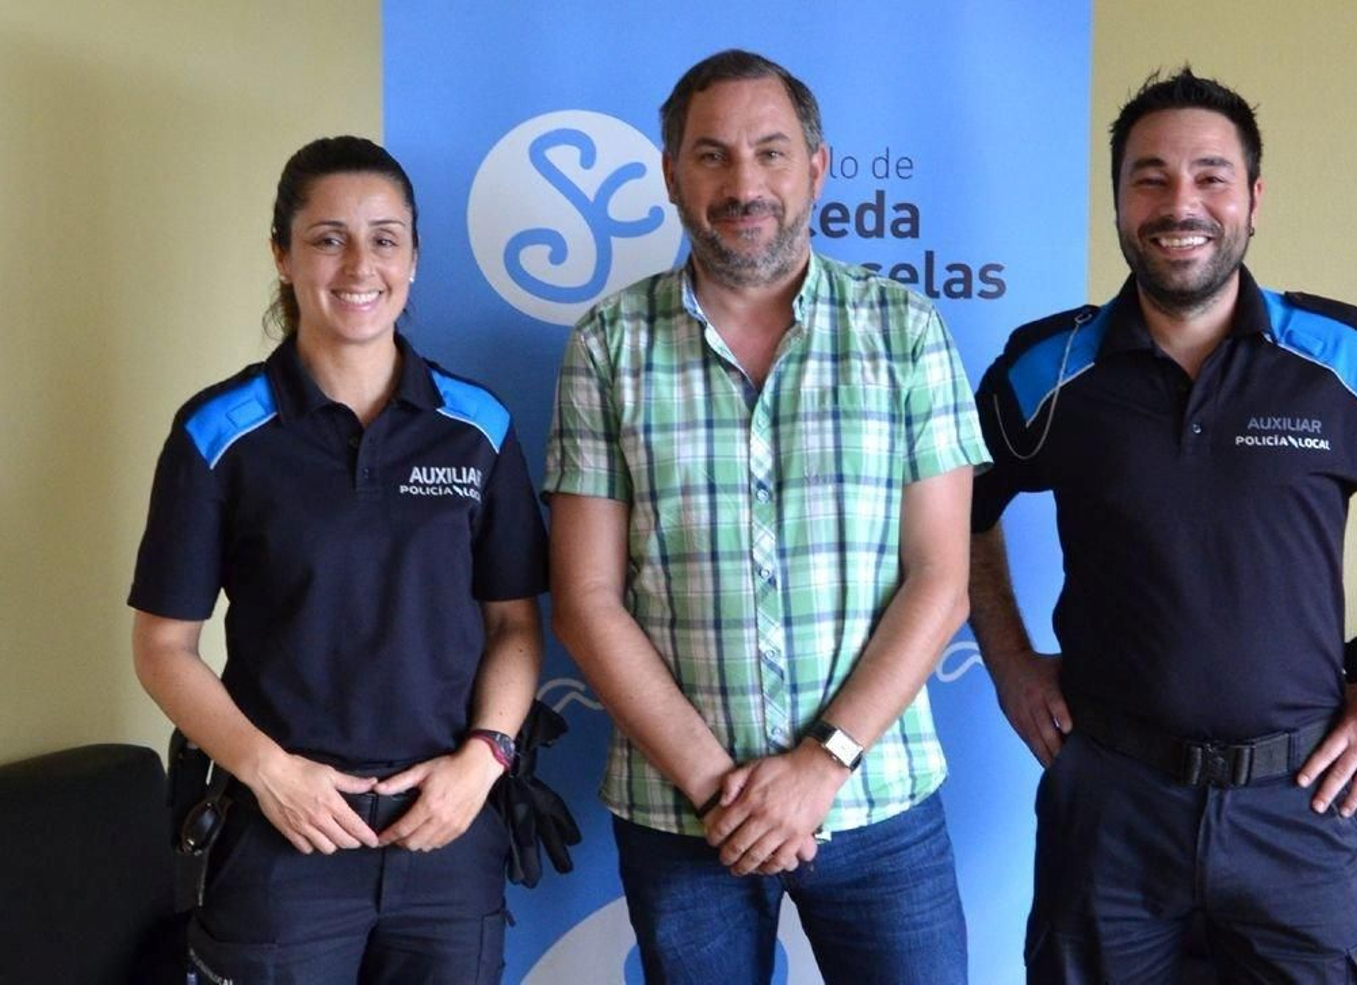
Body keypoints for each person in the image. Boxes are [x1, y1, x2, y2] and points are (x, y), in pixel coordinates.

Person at [968, 67, 1357, 983]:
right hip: (1109, 804)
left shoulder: (1341, 359)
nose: (1182, 203)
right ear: (1116, 203)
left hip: (1298, 803)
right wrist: (1012, 663)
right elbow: (960, 516)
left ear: (1254, 200)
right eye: (1151, 177)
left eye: (1211, 176)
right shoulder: (1043, 369)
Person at [544, 49, 988, 984]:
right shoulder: (609, 346)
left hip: (878, 804)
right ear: (671, 175)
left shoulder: (906, 331)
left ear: (817, 169)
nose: (744, 182)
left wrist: (819, 766)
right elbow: (585, 599)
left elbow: (943, 577)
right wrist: (726, 793)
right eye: (711, 156)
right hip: (682, 816)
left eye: (771, 152)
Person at [129, 135, 546, 982]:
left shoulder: (479, 428)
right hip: (284, 843)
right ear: (282, 255)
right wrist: (267, 770)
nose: (360, 264)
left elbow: (515, 624)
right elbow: (162, 648)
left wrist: (485, 759)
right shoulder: (219, 432)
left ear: (415, 258)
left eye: (385, 237)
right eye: (328, 237)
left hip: (447, 839)